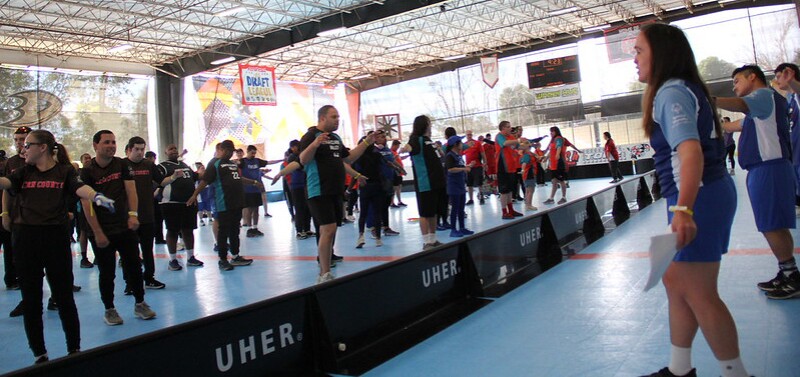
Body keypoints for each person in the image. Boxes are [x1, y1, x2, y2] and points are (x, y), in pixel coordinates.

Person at [635, 23, 748, 377]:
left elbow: (690, 153)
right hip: (702, 193)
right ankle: (679, 369)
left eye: (639, 51)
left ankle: (736, 373)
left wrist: (684, 209)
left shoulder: (671, 92)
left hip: (699, 196)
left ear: (660, 54)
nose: (635, 59)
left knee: (700, 292)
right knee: (676, 282)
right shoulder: (681, 88)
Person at [0, 130, 115, 364]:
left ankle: (74, 349)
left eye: (28, 145)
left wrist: (97, 197)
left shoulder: (65, 172)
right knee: (31, 300)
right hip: (26, 240)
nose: (23, 149)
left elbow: (79, 188)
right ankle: (40, 354)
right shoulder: (23, 172)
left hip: (55, 239)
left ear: (42, 147)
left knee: (64, 297)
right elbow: (6, 183)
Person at [716, 64, 798, 300]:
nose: (734, 87)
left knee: (771, 225)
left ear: (752, 77)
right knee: (774, 224)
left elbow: (739, 104)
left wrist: (708, 100)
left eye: (737, 81)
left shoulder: (762, 96)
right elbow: (733, 125)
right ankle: (788, 271)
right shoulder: (760, 110)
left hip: (769, 169)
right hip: (765, 170)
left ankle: (792, 276)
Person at [81, 130, 157, 326]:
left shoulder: (122, 164)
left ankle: (140, 303)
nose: (111, 146)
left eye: (113, 142)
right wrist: (97, 232)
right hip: (102, 229)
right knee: (107, 272)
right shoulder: (87, 171)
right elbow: (86, 203)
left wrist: (133, 215)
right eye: (106, 142)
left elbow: (131, 190)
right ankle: (110, 309)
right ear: (95, 146)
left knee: (134, 266)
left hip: (124, 226)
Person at [299, 105, 373, 283]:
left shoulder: (336, 138)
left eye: (338, 117)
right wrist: (315, 144)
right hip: (318, 189)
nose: (337, 120)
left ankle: (326, 265)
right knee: (328, 228)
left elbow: (348, 158)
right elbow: (303, 160)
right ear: (322, 118)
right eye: (333, 117)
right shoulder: (310, 136)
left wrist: (366, 143)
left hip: (335, 190)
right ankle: (324, 273)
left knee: (331, 230)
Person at [188, 140, 258, 271]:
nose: (231, 153)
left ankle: (235, 256)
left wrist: (253, 182)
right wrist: (194, 195)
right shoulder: (215, 164)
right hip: (223, 202)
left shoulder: (232, 164)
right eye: (229, 150)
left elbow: (238, 179)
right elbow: (205, 181)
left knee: (235, 230)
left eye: (232, 151)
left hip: (236, 202)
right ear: (223, 150)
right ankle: (223, 259)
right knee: (223, 231)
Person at [122, 137, 165, 291]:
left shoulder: (148, 165)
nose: (140, 152)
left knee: (147, 250)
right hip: (128, 216)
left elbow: (162, 181)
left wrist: (174, 177)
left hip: (147, 214)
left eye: (142, 149)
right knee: (129, 252)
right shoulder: (122, 165)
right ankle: (130, 283)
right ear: (129, 150)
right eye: (137, 149)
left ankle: (149, 278)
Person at [156, 144, 204, 270]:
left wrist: (202, 172)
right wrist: (173, 177)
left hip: (188, 203)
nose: (173, 150)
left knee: (188, 230)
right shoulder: (162, 166)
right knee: (172, 231)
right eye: (170, 149)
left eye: (175, 149)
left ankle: (191, 257)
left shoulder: (185, 165)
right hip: (171, 203)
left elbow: (195, 177)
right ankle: (173, 260)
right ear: (165, 152)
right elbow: (158, 182)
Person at [402, 115, 446, 250]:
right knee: (425, 213)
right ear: (424, 124)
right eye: (429, 123)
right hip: (425, 182)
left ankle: (433, 239)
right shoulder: (416, 139)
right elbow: (409, 147)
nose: (430, 125)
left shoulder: (428, 141)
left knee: (433, 213)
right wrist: (405, 148)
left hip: (436, 182)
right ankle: (426, 242)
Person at [773, 63, 800, 215]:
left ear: (790, 74)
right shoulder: (789, 100)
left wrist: (792, 82)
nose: (777, 81)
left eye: (779, 77)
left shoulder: (797, 97)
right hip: (795, 156)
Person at [238, 145, 281, 236]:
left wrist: (282, 160)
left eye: (255, 153)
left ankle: (255, 228)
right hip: (247, 189)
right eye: (252, 153)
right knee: (249, 209)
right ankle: (249, 229)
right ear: (247, 151)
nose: (253, 155)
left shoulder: (257, 161)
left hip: (257, 189)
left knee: (256, 209)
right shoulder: (242, 162)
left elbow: (269, 162)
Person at [444, 136, 474, 237]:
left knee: (461, 208)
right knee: (455, 208)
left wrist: (468, 166)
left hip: (460, 184)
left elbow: (460, 167)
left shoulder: (458, 155)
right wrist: (464, 169)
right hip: (454, 186)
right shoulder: (450, 156)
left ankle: (462, 227)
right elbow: (450, 169)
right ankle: (453, 229)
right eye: (460, 142)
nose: (462, 144)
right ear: (455, 145)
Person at [495, 121, 523, 219]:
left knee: (510, 190)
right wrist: (518, 140)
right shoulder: (499, 136)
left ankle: (511, 210)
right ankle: (504, 212)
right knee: (504, 191)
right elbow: (505, 143)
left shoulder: (511, 137)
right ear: (503, 128)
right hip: (502, 166)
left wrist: (528, 144)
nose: (510, 128)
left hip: (511, 167)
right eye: (508, 127)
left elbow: (518, 146)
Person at [543, 126, 569, 205]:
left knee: (561, 181)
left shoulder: (558, 139)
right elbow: (551, 151)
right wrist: (546, 158)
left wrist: (557, 154)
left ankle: (564, 197)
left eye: (552, 131)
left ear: (556, 132)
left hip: (558, 164)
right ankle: (551, 198)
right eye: (550, 132)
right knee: (554, 181)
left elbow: (559, 147)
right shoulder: (552, 141)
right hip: (553, 165)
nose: (551, 133)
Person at [145, 151, 166, 245]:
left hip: (157, 198)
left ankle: (159, 238)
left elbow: (161, 182)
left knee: (159, 219)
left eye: (151, 158)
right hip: (147, 198)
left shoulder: (157, 169)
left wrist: (157, 191)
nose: (150, 160)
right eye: (148, 158)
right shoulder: (144, 169)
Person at [463, 130, 487, 205]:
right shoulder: (464, 145)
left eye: (470, 134)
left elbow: (483, 154)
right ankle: (471, 199)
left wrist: (485, 163)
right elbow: (460, 154)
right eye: (468, 135)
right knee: (469, 183)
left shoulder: (477, 143)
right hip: (469, 167)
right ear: (466, 136)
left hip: (478, 166)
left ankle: (481, 197)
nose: (469, 136)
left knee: (480, 183)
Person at [519, 140, 538, 211]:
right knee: (531, 190)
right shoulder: (527, 155)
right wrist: (523, 170)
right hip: (529, 174)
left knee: (528, 190)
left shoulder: (527, 154)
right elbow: (524, 164)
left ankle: (527, 205)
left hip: (528, 174)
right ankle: (529, 205)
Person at [389, 140, 408, 207]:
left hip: (399, 172)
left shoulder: (395, 152)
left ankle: (399, 201)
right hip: (395, 171)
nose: (397, 148)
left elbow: (398, 158)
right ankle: (392, 202)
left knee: (399, 186)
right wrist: (398, 155)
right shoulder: (390, 152)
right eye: (397, 146)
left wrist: (405, 157)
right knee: (395, 187)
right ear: (394, 145)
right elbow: (391, 160)